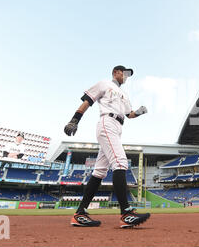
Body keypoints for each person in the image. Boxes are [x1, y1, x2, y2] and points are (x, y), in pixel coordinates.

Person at [64, 65, 150, 228]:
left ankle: (79, 214)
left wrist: (138, 112)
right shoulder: (105, 84)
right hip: (107, 123)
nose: (126, 77)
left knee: (99, 172)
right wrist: (74, 120)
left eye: (128, 75)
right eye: (124, 73)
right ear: (116, 72)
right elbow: (88, 101)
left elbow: (128, 114)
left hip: (118, 127)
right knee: (120, 163)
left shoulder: (124, 94)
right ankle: (126, 213)